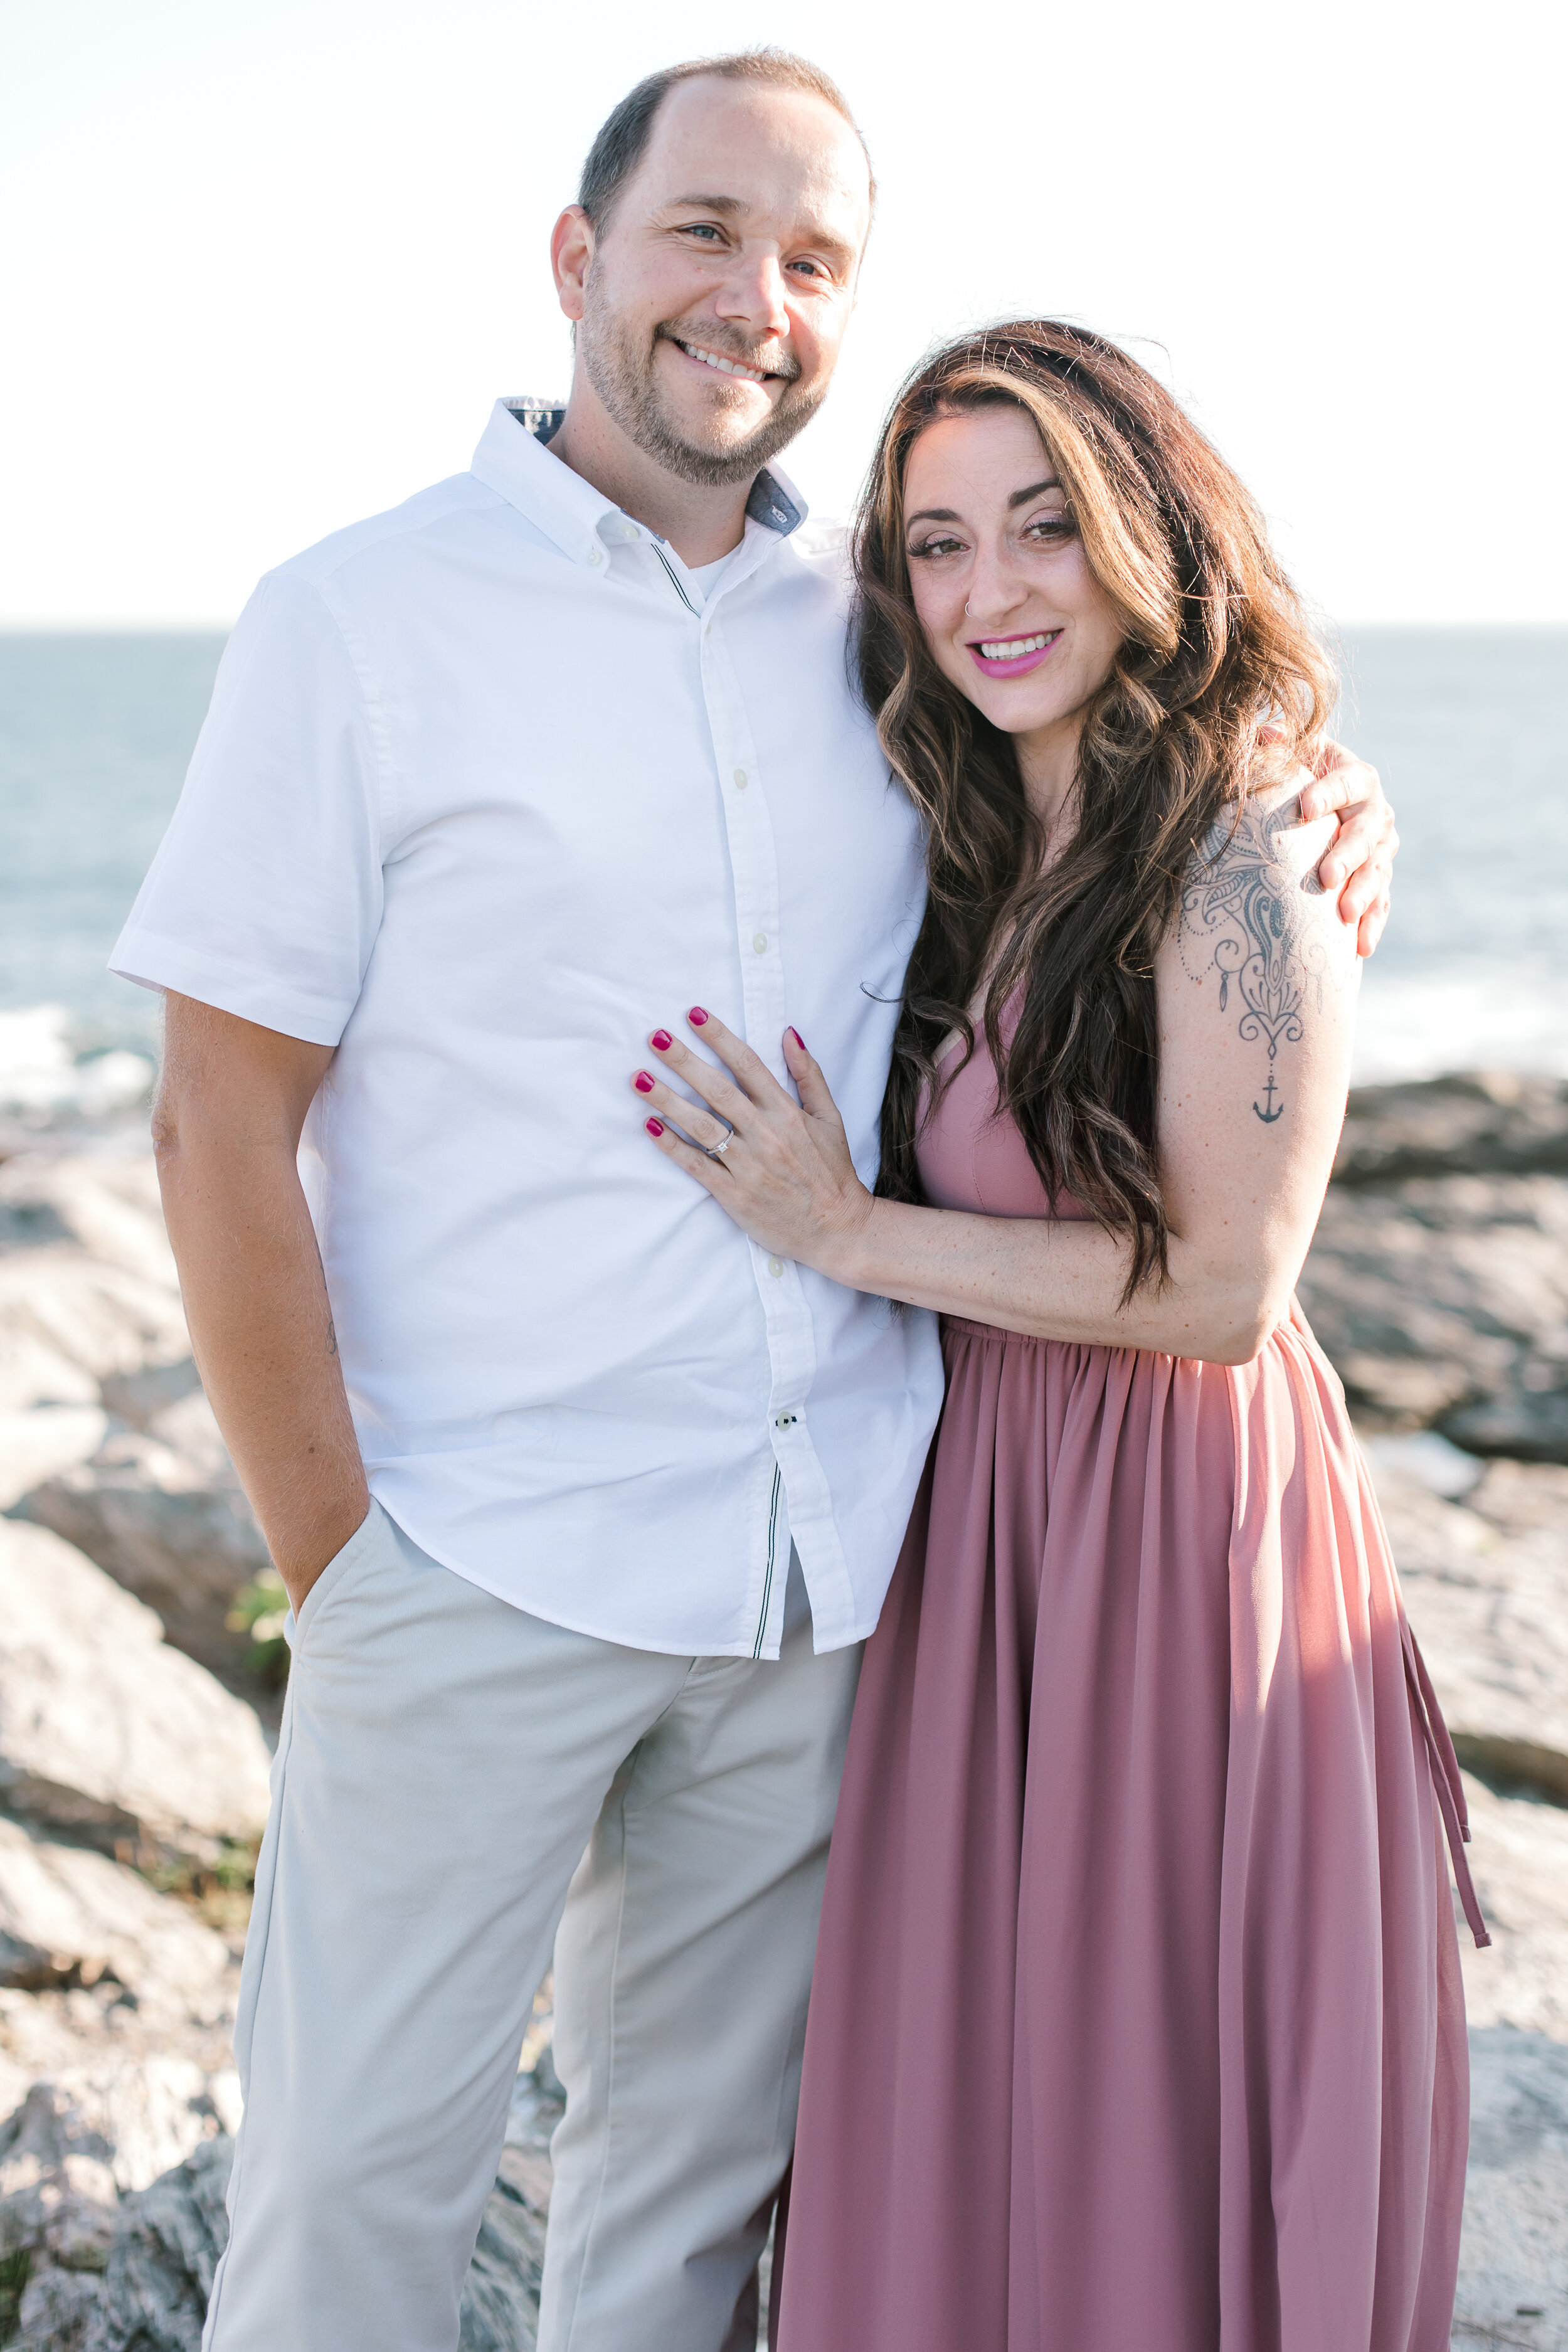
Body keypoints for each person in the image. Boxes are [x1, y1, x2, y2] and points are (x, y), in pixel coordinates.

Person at [111, 48, 1397, 2351]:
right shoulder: (359, 621)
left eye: (815, 258)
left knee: (683, 2235)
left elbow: (1125, 736)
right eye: (708, 230)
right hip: (476, 1558)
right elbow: (218, 1119)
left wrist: (1310, 793)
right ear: (579, 259)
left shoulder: (885, 625)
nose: (759, 297)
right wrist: (346, 1567)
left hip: (827, 1580)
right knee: (347, 2219)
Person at [634, 322, 1481, 2352]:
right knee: (975, 2091)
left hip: (1173, 1537)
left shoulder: (1240, 847)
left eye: (1042, 529)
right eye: (933, 547)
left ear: (1143, 541)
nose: (990, 593)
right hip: (985, 1531)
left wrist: (844, 1230)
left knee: (1146, 2096)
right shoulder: (960, 841)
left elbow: (1222, 1289)